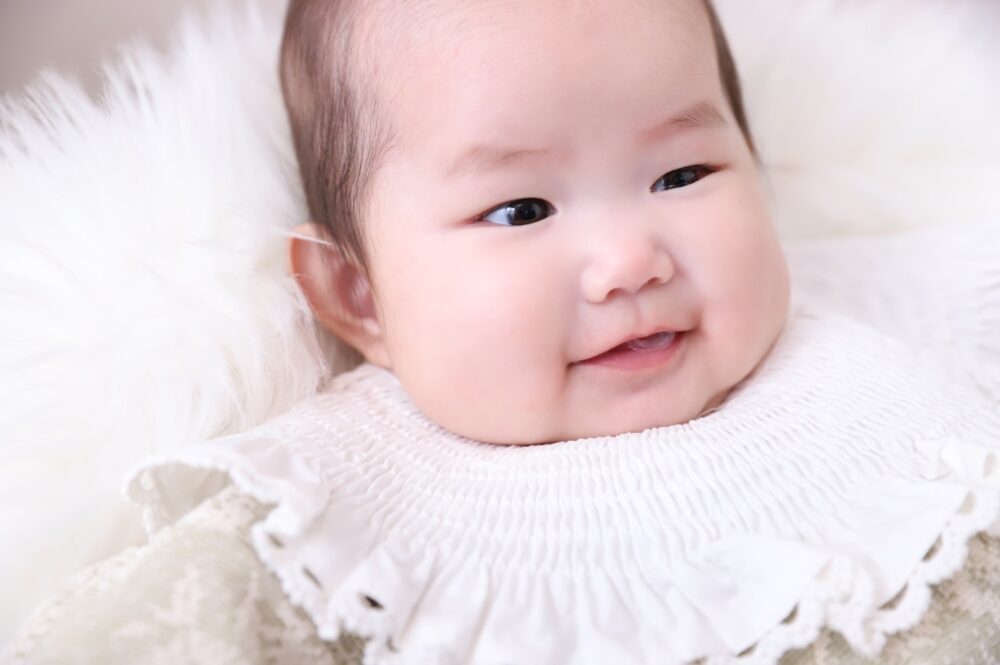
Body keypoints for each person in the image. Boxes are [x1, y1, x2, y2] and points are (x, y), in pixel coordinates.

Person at [7, 0, 1000, 663]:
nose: (630, 260)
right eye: (522, 210)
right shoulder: (325, 514)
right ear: (359, 295)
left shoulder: (891, 318)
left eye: (682, 173)